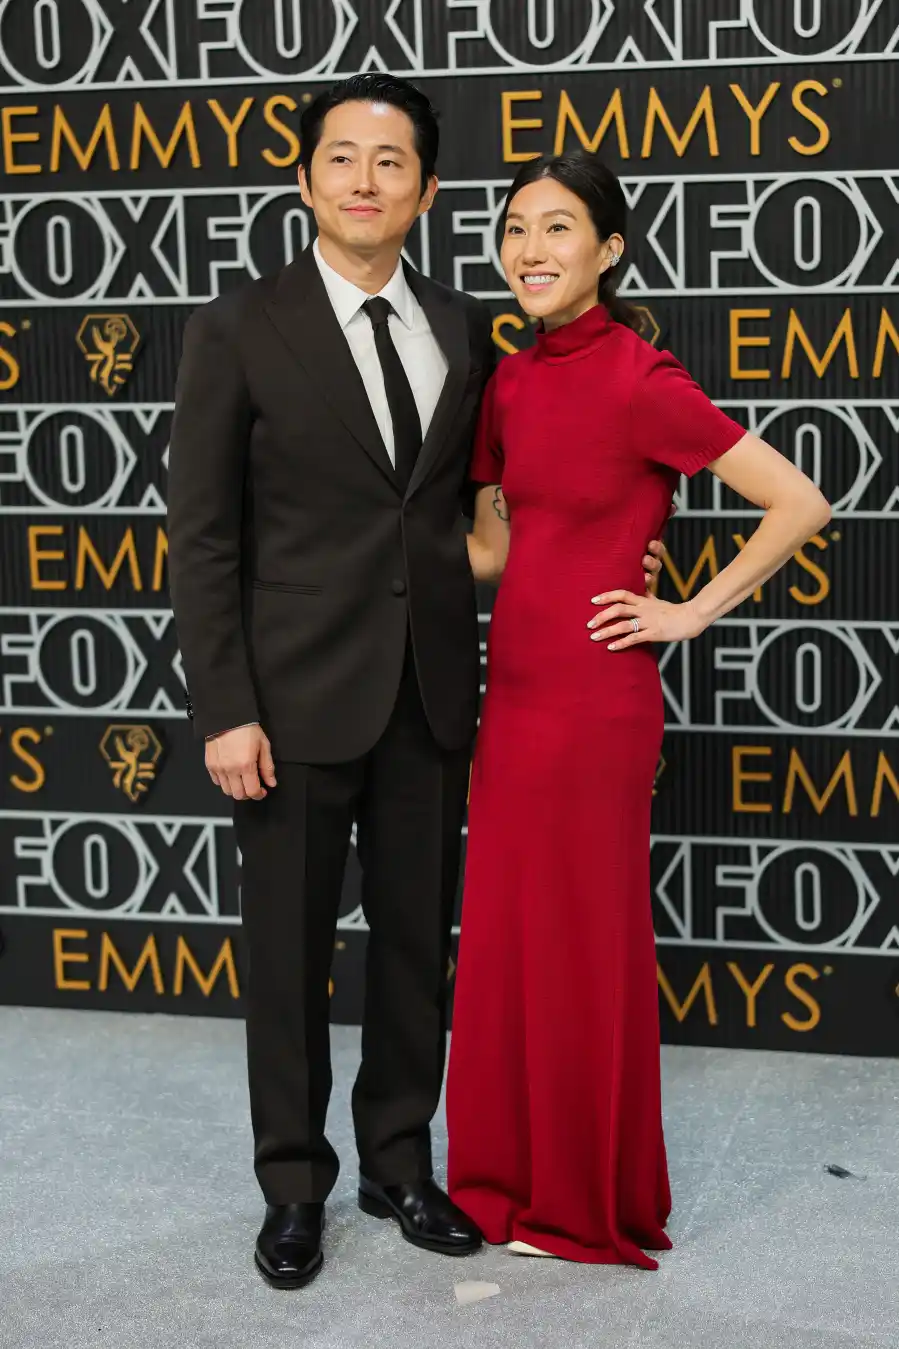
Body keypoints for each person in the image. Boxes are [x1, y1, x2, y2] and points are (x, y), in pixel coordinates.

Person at [167, 76, 666, 1289]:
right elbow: (203, 535)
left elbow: (501, 506)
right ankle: (294, 1182)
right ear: (305, 179)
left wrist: (630, 554)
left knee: (410, 951)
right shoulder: (239, 324)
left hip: (433, 693)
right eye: (341, 158)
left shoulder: (465, 326)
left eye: (391, 164)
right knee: (286, 953)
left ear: (426, 191)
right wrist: (224, 702)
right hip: (286, 701)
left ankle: (400, 1158)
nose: (364, 181)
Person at [446, 151, 831, 1268]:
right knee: (509, 943)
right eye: (515, 228)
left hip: (593, 701)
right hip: (510, 694)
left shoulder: (636, 376)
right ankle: (500, 1181)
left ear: (607, 250)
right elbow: (496, 549)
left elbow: (797, 500)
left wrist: (687, 610)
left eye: (557, 228)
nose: (530, 249)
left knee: (576, 944)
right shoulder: (509, 380)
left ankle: (578, 1202)